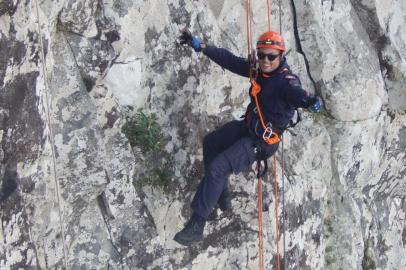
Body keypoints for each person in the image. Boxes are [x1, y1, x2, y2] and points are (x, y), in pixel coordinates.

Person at [174, 29, 322, 246]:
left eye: (271, 56)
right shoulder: (259, 70)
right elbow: (230, 60)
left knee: (217, 168)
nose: (265, 60)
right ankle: (221, 195)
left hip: (262, 141)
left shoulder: (285, 82)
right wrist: (201, 46)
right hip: (249, 126)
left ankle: (197, 225)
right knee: (211, 143)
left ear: (281, 56)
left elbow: (297, 94)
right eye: (261, 54)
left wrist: (309, 101)